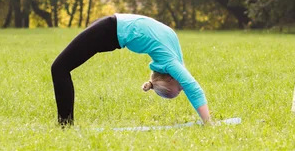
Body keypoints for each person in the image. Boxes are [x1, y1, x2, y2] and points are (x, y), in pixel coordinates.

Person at [51, 14, 211, 126]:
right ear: (170, 78)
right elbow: (194, 89)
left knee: (60, 68)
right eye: (179, 88)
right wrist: (208, 123)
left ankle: (65, 126)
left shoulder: (174, 56)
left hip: (110, 26)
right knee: (59, 69)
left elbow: (188, 85)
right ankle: (65, 126)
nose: (183, 86)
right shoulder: (170, 62)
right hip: (108, 30)